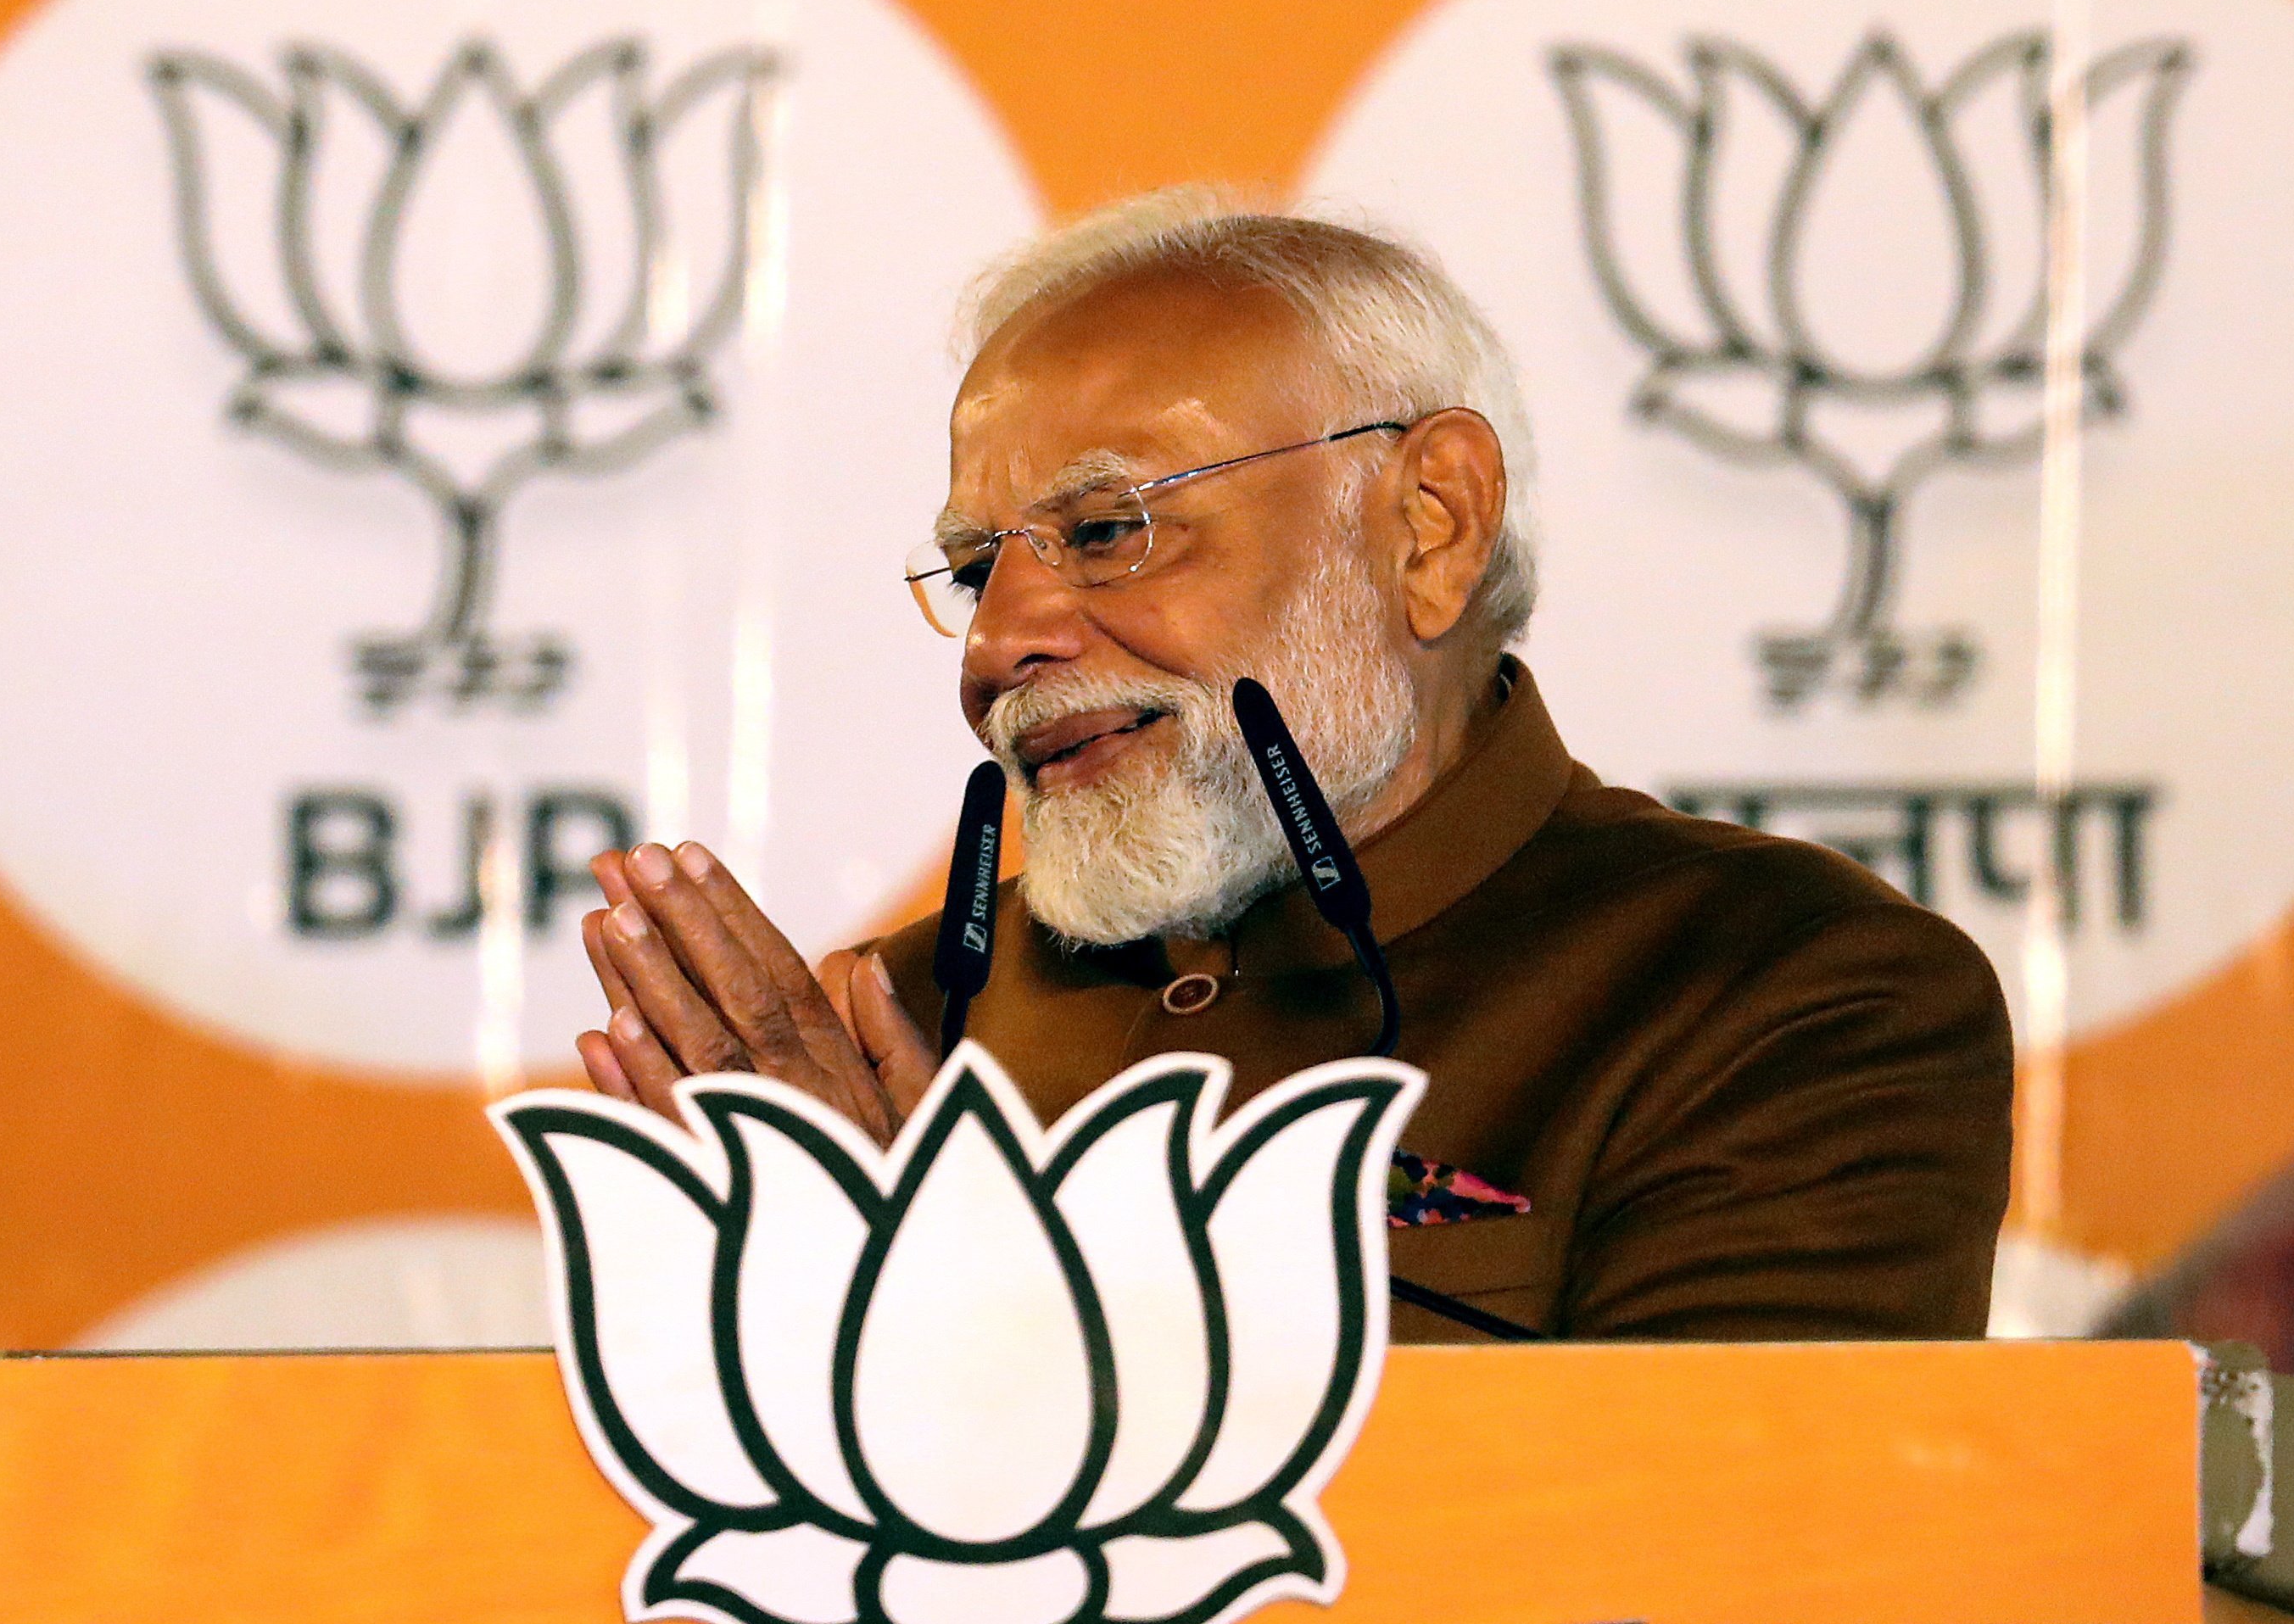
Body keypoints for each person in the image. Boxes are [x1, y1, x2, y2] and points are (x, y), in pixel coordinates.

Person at [577, 190, 2012, 1342]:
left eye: (1105, 531)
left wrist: (956, 1330)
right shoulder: (898, 1029)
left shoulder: (1788, 995)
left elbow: (1715, 1599)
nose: (1001, 641)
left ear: (1429, 524)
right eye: (971, 569)